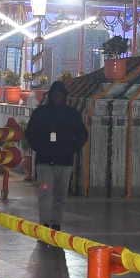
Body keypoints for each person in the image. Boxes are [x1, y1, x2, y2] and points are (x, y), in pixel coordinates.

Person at [25, 80, 86, 229]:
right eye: (55, 95)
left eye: (60, 95)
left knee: (60, 195)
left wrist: (72, 148)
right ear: (51, 96)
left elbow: (82, 134)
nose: (57, 97)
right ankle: (45, 223)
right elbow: (30, 133)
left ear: (64, 96)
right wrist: (40, 148)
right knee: (45, 193)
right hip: (45, 163)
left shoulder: (72, 114)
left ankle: (56, 223)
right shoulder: (41, 113)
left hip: (64, 163)